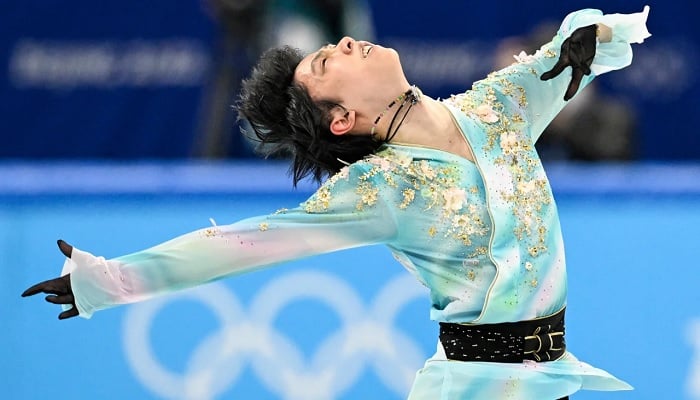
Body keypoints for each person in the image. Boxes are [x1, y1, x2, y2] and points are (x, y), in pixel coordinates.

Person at [22, 6, 651, 399]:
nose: (346, 44)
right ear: (344, 119)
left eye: (336, 47)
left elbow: (576, 48)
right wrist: (104, 281)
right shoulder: (378, 188)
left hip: (549, 383)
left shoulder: (497, 107)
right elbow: (239, 245)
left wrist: (591, 35)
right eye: (328, 61)